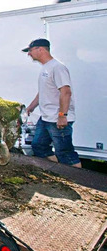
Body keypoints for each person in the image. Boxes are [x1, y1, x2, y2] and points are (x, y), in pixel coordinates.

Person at [23, 38, 81, 168]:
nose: (29, 54)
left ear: (40, 49)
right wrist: (30, 107)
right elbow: (43, 92)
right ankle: (59, 172)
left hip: (57, 119)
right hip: (46, 118)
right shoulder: (46, 68)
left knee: (65, 153)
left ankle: (78, 181)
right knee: (39, 146)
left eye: (30, 50)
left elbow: (66, 92)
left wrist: (62, 115)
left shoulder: (57, 67)